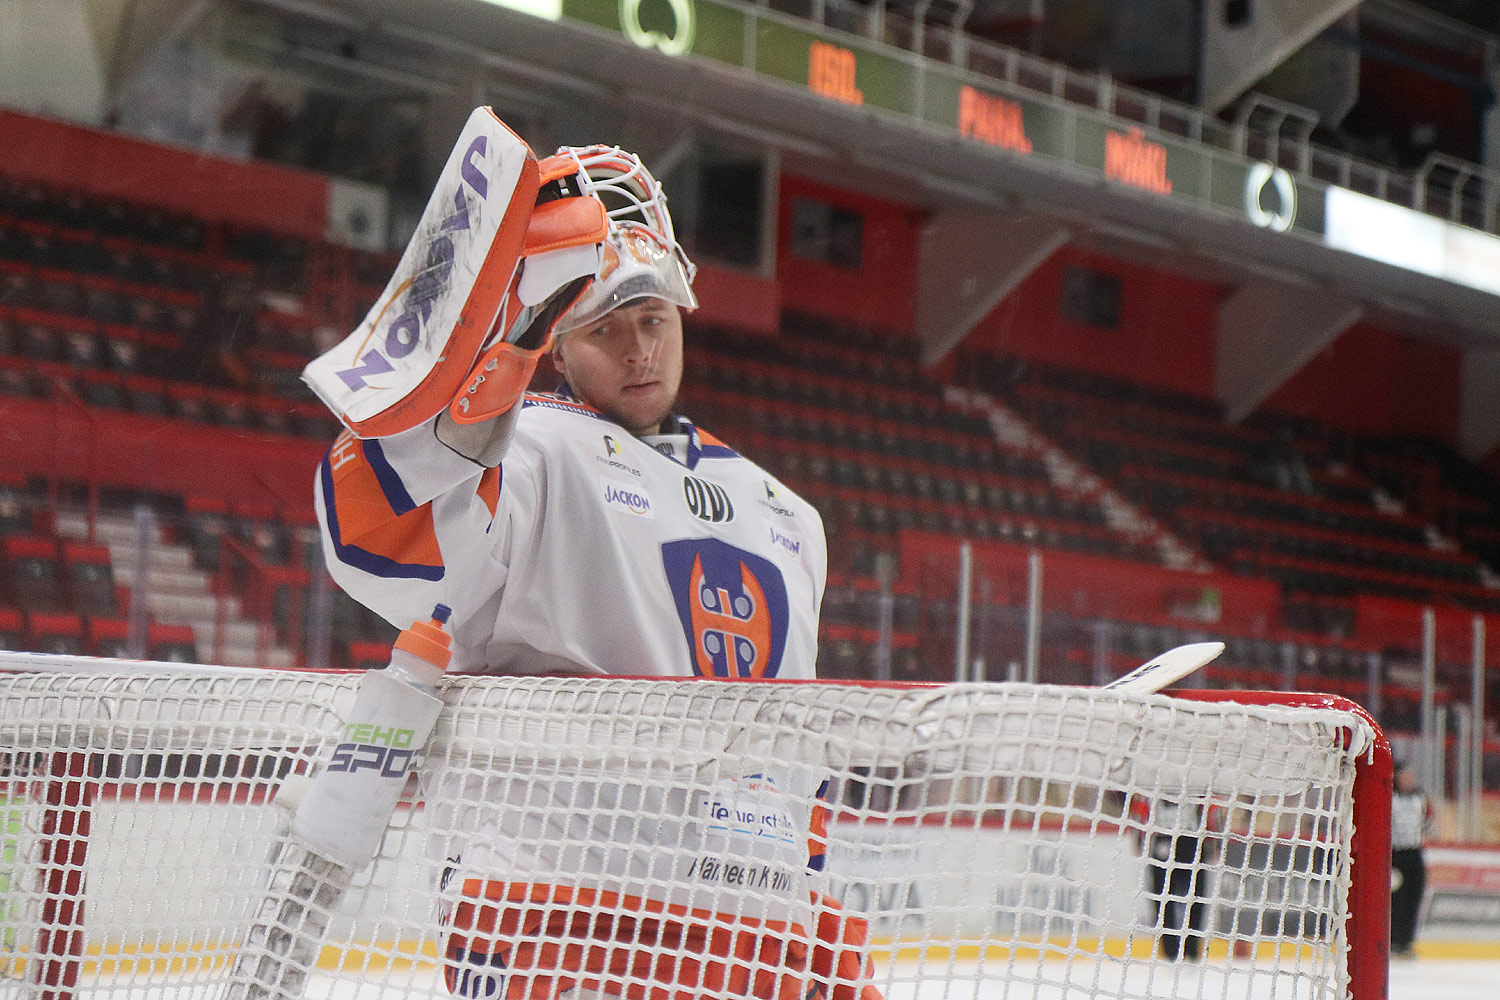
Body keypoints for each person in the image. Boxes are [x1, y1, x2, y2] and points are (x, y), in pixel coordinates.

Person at [310, 137, 875, 1000]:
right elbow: (376, 541)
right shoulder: (530, 450)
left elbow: (793, 743)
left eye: (653, 321)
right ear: (559, 350)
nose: (639, 349)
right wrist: (489, 364)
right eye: (603, 329)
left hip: (746, 927)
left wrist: (809, 899)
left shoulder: (791, 517)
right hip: (555, 910)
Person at [1129, 796, 1225, 961]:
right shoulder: (1191, 782)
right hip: (1178, 840)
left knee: (1185, 898)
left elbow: (1210, 809)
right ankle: (1179, 951)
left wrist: (1139, 838)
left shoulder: (1159, 781)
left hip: (1181, 840)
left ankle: (1180, 951)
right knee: (1173, 899)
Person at [1390, 762, 1431, 959]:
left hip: (1414, 853)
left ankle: (1406, 940)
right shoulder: (1390, 797)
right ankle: (1392, 940)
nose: (1409, 780)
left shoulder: (1419, 797)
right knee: (1396, 899)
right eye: (1405, 775)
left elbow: (1428, 820)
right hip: (1395, 855)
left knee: (1414, 896)